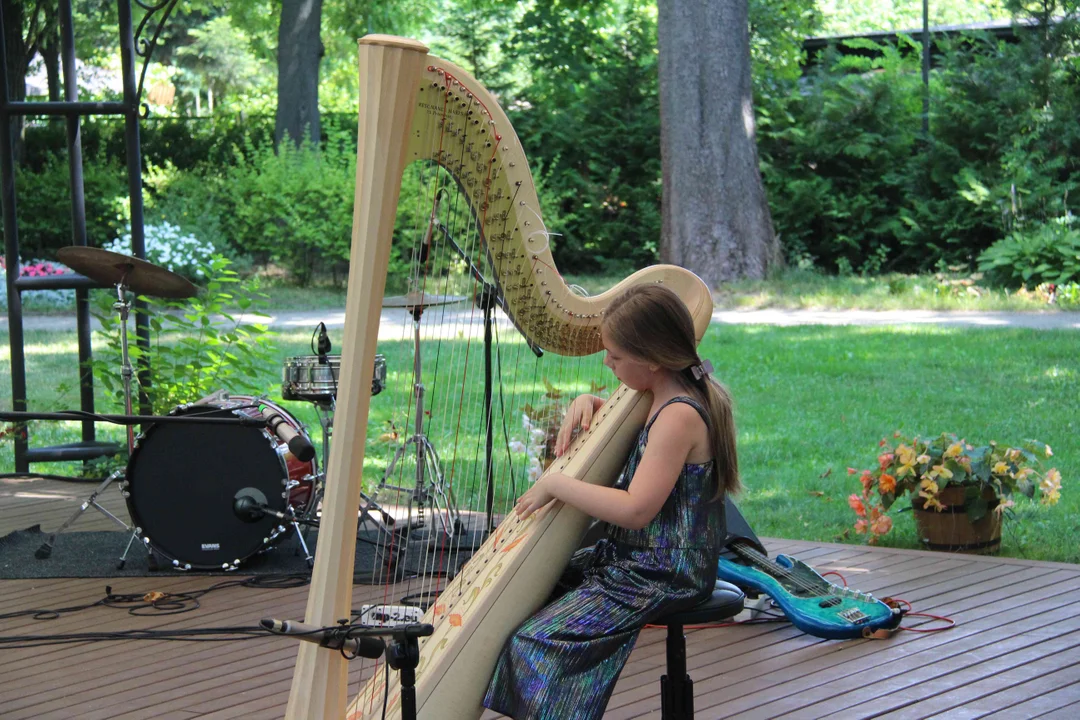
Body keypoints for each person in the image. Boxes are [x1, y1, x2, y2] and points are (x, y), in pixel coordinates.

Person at [483, 283, 740, 720]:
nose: (607, 362)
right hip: (639, 560)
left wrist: (558, 483)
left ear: (654, 359)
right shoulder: (665, 392)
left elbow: (636, 510)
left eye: (616, 357)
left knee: (535, 645)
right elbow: (635, 430)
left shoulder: (678, 415)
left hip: (666, 570)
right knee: (540, 585)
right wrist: (588, 400)